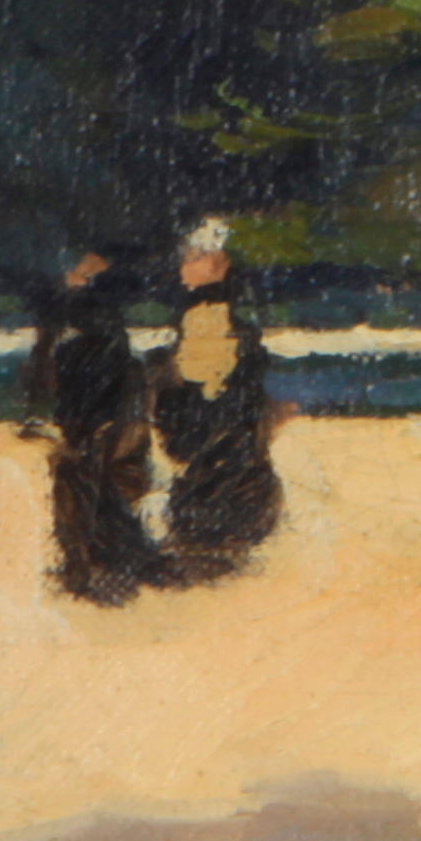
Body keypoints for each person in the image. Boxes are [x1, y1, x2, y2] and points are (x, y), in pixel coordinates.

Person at [149, 219, 285, 583]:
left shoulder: (209, 325)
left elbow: (188, 415)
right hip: (230, 480)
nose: (183, 264)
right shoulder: (223, 327)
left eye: (192, 257)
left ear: (216, 265)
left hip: (219, 482)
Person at [34, 252, 170, 605]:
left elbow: (66, 397)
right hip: (111, 424)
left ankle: (94, 564)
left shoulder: (77, 343)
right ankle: (116, 559)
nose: (70, 279)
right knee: (103, 488)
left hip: (97, 427)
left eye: (79, 277)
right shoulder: (113, 343)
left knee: (86, 485)